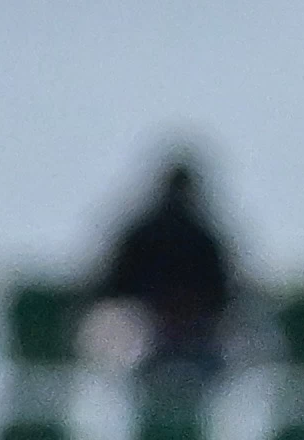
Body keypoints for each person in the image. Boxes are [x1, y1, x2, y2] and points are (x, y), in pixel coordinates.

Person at [85, 150, 243, 401]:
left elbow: (109, 285)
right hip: (170, 333)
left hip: (158, 333)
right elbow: (228, 292)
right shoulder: (204, 236)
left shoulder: (141, 231)